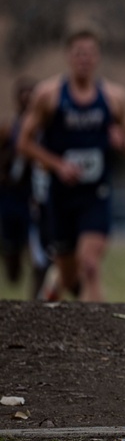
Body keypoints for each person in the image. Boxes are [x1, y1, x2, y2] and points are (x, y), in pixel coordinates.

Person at [17, 29, 125, 302]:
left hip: (96, 193)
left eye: (89, 53)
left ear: (97, 57)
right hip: (60, 195)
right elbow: (24, 143)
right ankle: (50, 293)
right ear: (69, 57)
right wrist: (57, 164)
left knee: (90, 265)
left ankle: (98, 335)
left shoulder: (114, 97)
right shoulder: (49, 95)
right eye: (78, 53)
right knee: (69, 275)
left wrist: (123, 143)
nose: (84, 59)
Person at [0, 79, 37, 294]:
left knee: (41, 251)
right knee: (13, 247)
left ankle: (37, 300)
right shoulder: (8, 129)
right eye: (24, 95)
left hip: (35, 195)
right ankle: (11, 257)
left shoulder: (44, 130)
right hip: (11, 196)